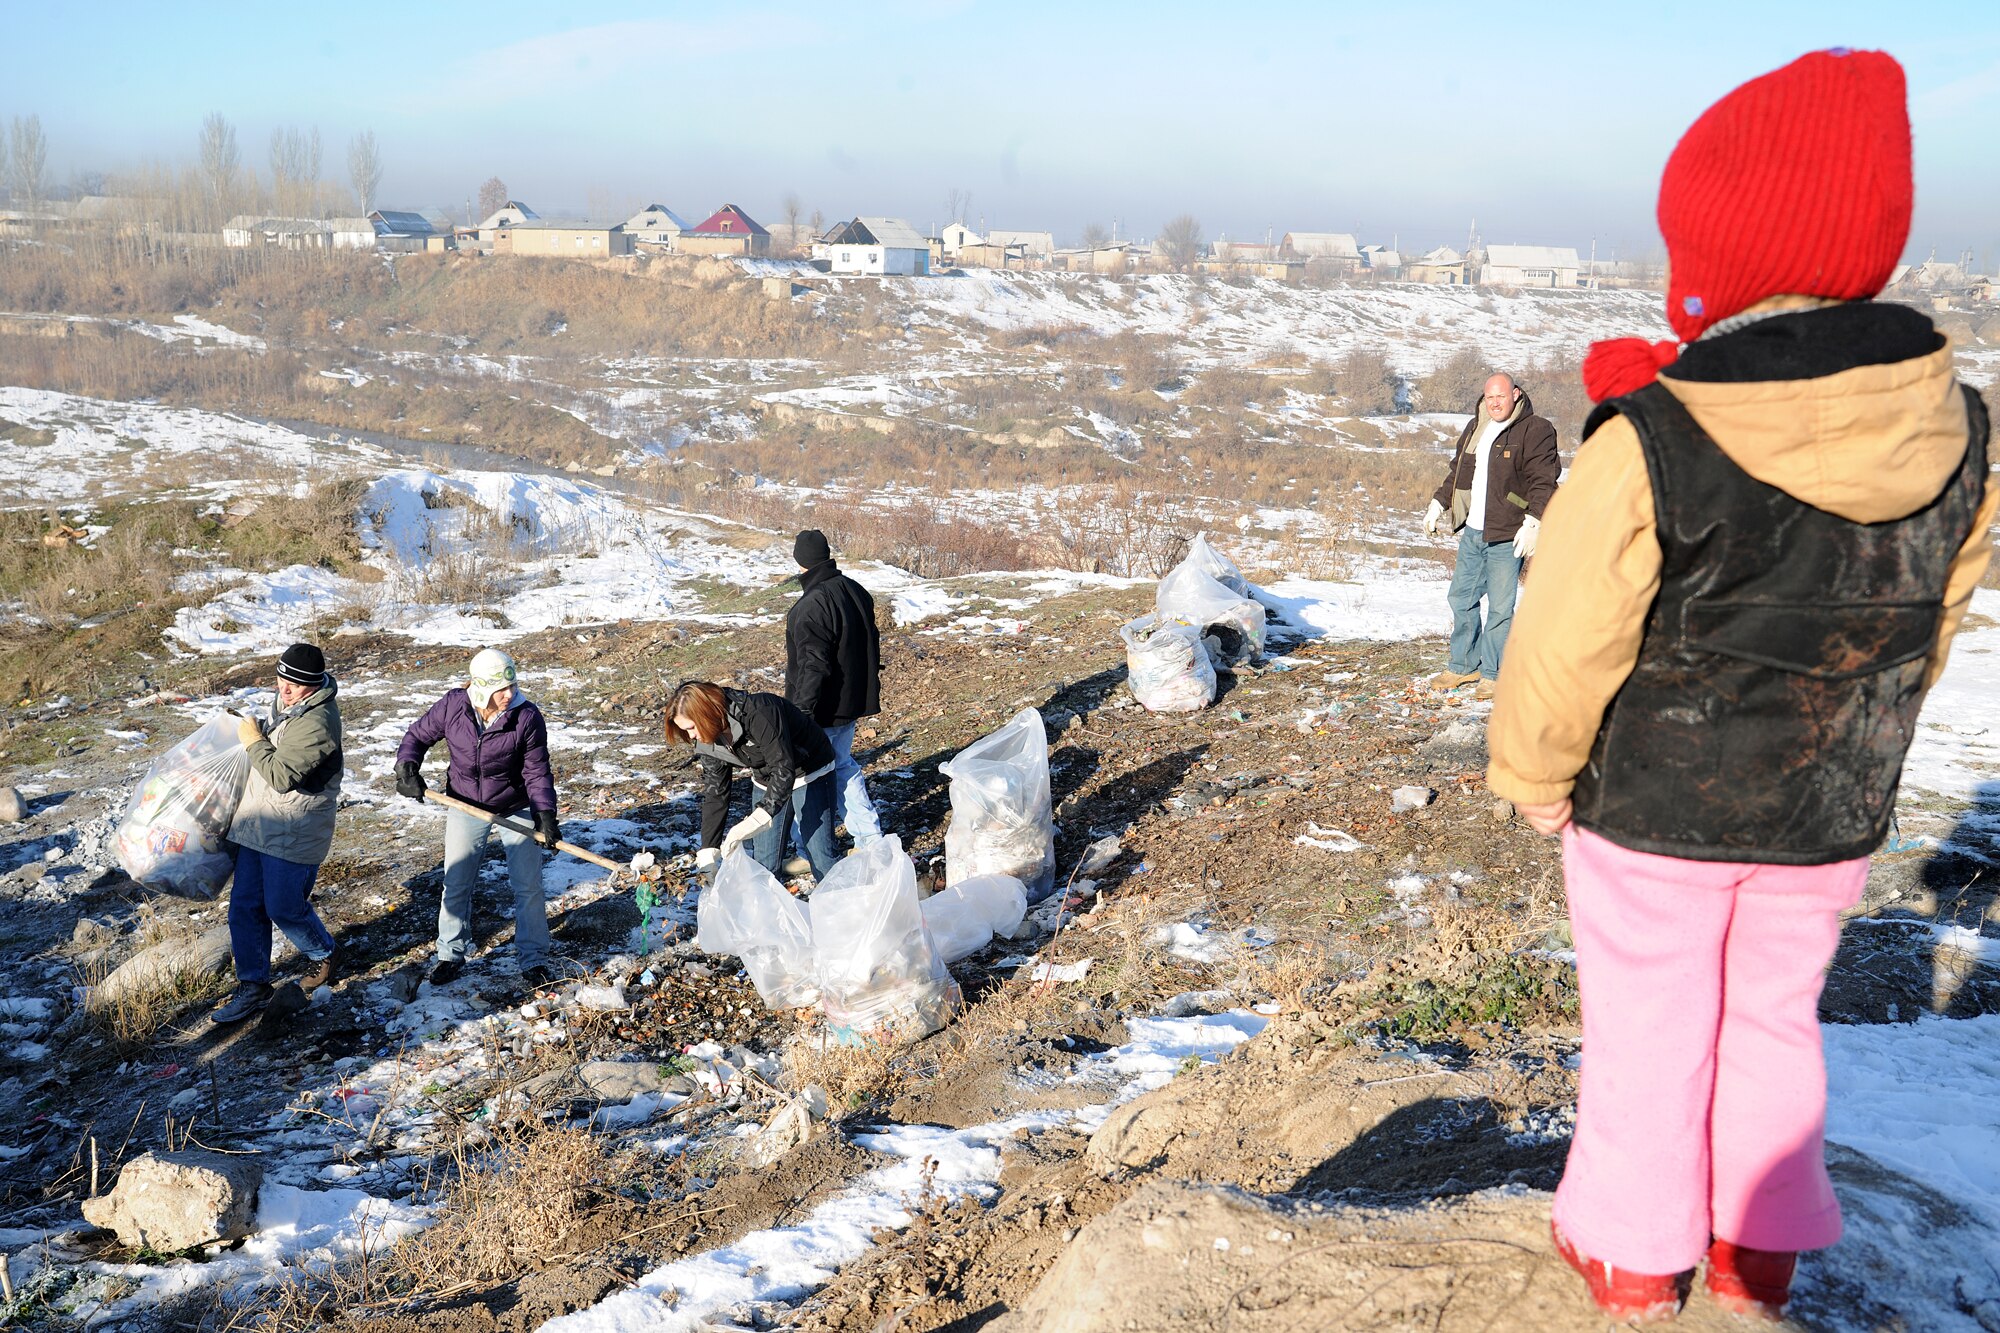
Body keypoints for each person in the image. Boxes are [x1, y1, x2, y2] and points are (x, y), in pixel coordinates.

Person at [1487, 49, 1994, 1324]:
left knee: (1651, 1028)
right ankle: (1753, 1246)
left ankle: (1628, 1252)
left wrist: (1533, 774)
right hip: (1828, 805)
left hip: (1654, 807)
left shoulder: (1653, 432)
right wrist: (1854, 740)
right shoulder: (1962, 429)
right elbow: (1920, 623)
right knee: (1771, 1016)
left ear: (1711, 249)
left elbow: (1565, 635)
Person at [394, 649, 562, 987]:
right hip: (464, 803)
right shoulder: (454, 705)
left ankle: (533, 957)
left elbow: (537, 770)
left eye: (512, 686)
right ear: (481, 688)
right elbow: (417, 736)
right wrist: (407, 766)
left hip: (514, 805)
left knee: (527, 885)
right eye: (501, 689)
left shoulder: (526, 717)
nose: (509, 694)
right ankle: (450, 953)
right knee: (456, 881)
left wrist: (544, 812)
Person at [212, 643, 343, 1024]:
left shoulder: (317, 724)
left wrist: (252, 739)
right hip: (259, 822)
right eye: (281, 679)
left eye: (294, 684)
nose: (284, 688)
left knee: (284, 907)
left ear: (314, 685)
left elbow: (282, 776)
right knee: (244, 907)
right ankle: (253, 986)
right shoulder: (290, 702)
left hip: (295, 829)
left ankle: (324, 954)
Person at [1423, 372, 1559, 699]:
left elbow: (1544, 481)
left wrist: (1534, 524)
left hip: (1508, 532)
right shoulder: (1477, 428)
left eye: (1501, 396)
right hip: (1473, 530)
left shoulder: (1535, 429)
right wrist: (1438, 503)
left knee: (1500, 606)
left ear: (1515, 394)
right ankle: (1464, 665)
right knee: (1462, 598)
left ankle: (1494, 673)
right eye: (1489, 397)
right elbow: (1458, 473)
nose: (1495, 402)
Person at [663, 679, 838, 884]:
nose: (691, 736)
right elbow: (716, 792)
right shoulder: (708, 738)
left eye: (692, 727)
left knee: (820, 857)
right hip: (766, 779)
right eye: (686, 731)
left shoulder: (759, 711)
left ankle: (838, 907)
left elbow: (783, 766)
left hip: (810, 771)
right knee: (763, 864)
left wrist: (758, 818)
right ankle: (767, 914)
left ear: (706, 714)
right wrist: (708, 849)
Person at [785, 529, 883, 849]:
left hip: (821, 709)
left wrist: (800, 715)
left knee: (809, 777)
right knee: (841, 766)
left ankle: (809, 846)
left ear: (800, 561)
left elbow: (814, 666)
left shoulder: (810, 606)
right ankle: (868, 835)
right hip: (850, 702)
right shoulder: (855, 590)